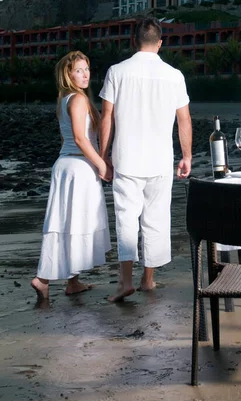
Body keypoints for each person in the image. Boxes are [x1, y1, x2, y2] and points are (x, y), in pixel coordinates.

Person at [99, 17, 192, 303]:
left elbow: (107, 118)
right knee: (156, 219)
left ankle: (125, 282)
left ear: (134, 41)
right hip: (160, 159)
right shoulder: (174, 75)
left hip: (127, 157)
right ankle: (148, 280)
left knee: (126, 219)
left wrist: (103, 158)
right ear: (160, 42)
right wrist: (186, 155)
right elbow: (184, 120)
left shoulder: (117, 71)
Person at [31, 51, 112, 300]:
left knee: (69, 223)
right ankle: (43, 278)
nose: (85, 74)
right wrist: (101, 163)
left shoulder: (68, 99)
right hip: (77, 166)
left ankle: (71, 282)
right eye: (78, 70)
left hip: (69, 165)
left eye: (87, 69)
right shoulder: (77, 99)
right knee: (74, 223)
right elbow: (79, 137)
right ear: (68, 74)